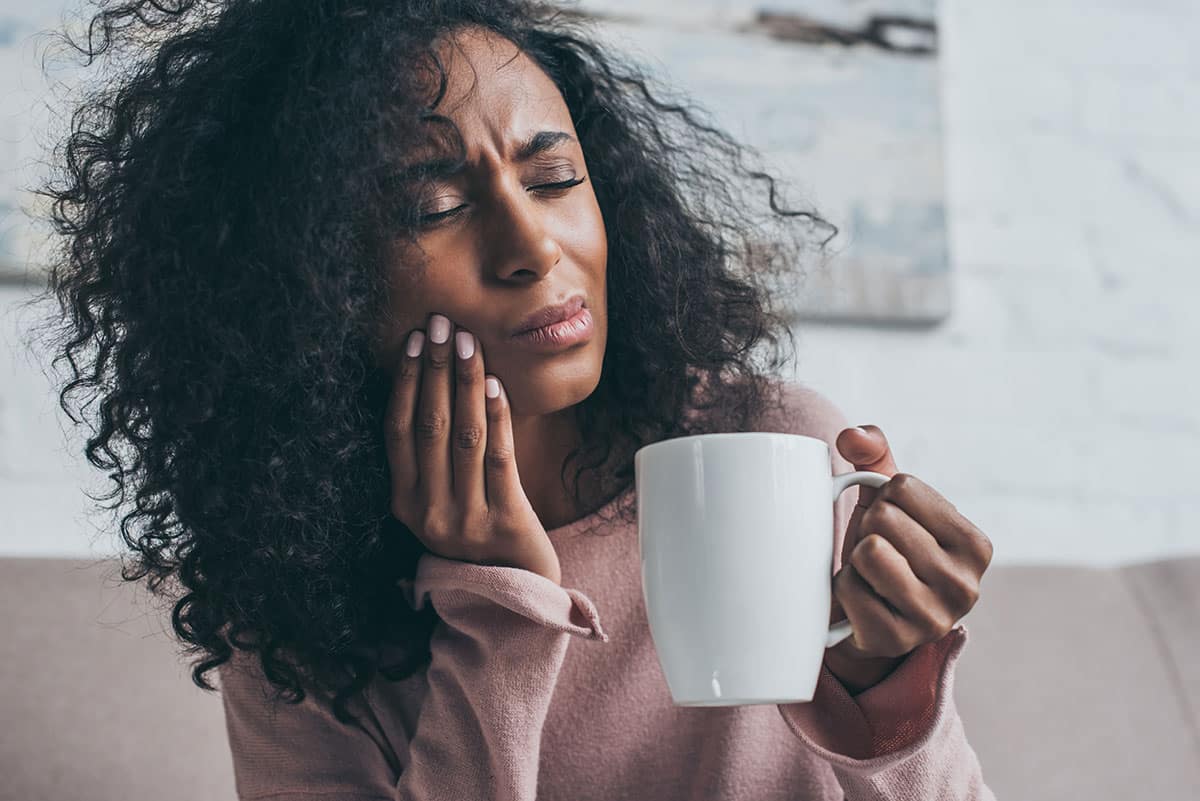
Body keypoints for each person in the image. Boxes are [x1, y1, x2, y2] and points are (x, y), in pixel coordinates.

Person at [30, 1, 996, 799]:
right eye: (431, 208)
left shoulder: (779, 446)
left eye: (554, 179)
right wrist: (501, 612)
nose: (532, 247)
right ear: (306, 287)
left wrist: (880, 683)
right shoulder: (289, 600)